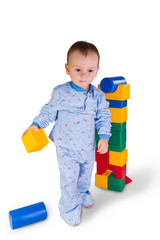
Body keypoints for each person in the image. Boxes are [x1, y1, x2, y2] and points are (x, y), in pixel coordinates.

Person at [22, 41, 111, 226]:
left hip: (87, 146)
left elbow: (103, 117)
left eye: (90, 70)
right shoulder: (61, 93)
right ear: (67, 68)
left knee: (85, 175)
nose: (84, 75)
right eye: (78, 70)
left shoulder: (98, 96)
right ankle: (69, 209)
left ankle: (84, 194)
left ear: (97, 71)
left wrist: (103, 137)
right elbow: (48, 111)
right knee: (69, 180)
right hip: (66, 148)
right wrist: (36, 124)